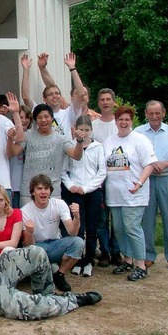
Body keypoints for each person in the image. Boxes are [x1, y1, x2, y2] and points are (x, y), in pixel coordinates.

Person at [104, 106, 157, 281]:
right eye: (121, 119)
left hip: (134, 194)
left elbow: (149, 164)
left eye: (127, 119)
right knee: (119, 229)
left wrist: (140, 183)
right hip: (115, 194)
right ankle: (127, 259)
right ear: (116, 121)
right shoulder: (109, 141)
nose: (124, 123)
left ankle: (140, 264)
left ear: (131, 121)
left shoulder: (140, 140)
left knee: (132, 228)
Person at [134, 101, 168, 270]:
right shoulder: (138, 133)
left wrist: (166, 163)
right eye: (151, 113)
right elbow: (133, 155)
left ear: (164, 113)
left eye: (158, 113)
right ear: (145, 114)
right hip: (146, 180)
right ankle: (148, 255)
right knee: (147, 219)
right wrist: (148, 166)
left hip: (167, 178)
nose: (154, 116)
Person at [10, 104, 84, 207]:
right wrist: (10, 139)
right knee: (27, 223)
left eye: (46, 116)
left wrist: (79, 142)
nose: (43, 120)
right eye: (40, 117)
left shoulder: (61, 139)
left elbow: (76, 156)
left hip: (52, 192)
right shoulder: (28, 136)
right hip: (29, 192)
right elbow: (13, 152)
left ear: (52, 118)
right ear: (35, 120)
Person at [61, 115, 107, 277]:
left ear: (91, 131)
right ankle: (77, 261)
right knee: (78, 228)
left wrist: (87, 188)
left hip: (92, 192)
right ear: (75, 130)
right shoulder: (70, 146)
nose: (84, 133)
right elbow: (64, 171)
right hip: (75, 193)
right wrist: (71, 186)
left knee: (92, 228)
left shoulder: (98, 147)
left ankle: (89, 261)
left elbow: (102, 172)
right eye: (81, 129)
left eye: (87, 130)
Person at [21, 174, 84, 292]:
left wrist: (76, 217)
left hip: (55, 243)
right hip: (37, 247)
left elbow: (72, 232)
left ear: (50, 190)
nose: (43, 192)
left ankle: (59, 275)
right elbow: (28, 244)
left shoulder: (59, 204)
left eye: (46, 188)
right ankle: (41, 276)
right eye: (39, 189)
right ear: (33, 192)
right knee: (33, 251)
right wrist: (29, 233)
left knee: (78, 242)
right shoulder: (25, 211)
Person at [20, 53, 86, 141]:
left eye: (57, 93)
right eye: (50, 94)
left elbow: (81, 94)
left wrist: (72, 68)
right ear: (44, 99)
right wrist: (26, 70)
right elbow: (25, 97)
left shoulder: (69, 113)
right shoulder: (39, 112)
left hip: (65, 153)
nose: (55, 96)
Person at [91, 88, 121, 267]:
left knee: (116, 218)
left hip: (118, 177)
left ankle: (117, 251)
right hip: (99, 179)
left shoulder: (121, 123)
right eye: (102, 99)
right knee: (101, 218)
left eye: (108, 99)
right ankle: (104, 251)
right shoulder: (94, 125)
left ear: (113, 102)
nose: (105, 102)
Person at [9, 105, 33, 208]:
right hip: (13, 184)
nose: (24, 120)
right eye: (20, 117)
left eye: (26, 117)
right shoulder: (10, 136)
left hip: (29, 185)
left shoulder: (33, 135)